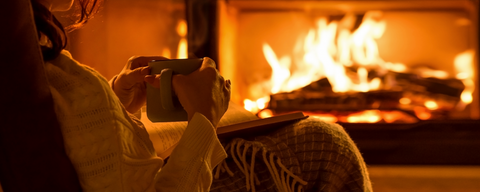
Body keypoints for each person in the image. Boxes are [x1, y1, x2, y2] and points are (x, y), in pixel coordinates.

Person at [30, 0, 373, 191]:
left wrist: (117, 105)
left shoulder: (24, 49)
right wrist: (205, 118)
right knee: (327, 143)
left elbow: (62, 135)